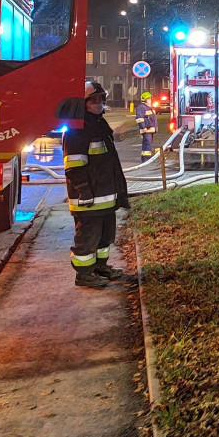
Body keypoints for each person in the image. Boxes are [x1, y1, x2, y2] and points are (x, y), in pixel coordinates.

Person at [62, 81, 130, 288]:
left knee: (105, 235)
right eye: (93, 99)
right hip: (89, 197)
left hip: (104, 195)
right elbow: (73, 165)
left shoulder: (98, 123)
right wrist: (84, 190)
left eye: (100, 99)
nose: (98, 103)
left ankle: (100, 267)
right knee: (87, 237)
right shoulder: (77, 129)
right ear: (83, 103)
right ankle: (83, 275)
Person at [135, 91, 158, 161]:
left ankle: (144, 158)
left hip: (149, 129)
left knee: (147, 144)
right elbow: (139, 119)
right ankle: (146, 159)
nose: (150, 100)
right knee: (147, 144)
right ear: (145, 99)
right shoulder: (141, 107)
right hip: (146, 129)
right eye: (149, 99)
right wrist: (143, 127)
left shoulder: (148, 107)